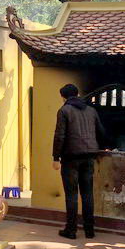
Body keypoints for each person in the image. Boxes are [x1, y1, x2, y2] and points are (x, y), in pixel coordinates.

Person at [52, 83, 105, 239]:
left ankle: (71, 230)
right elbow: (100, 131)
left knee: (72, 194)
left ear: (63, 97)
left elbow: (59, 136)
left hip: (71, 157)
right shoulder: (91, 110)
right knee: (87, 193)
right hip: (89, 156)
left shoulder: (64, 110)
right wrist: (104, 147)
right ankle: (89, 230)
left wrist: (56, 157)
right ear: (78, 94)